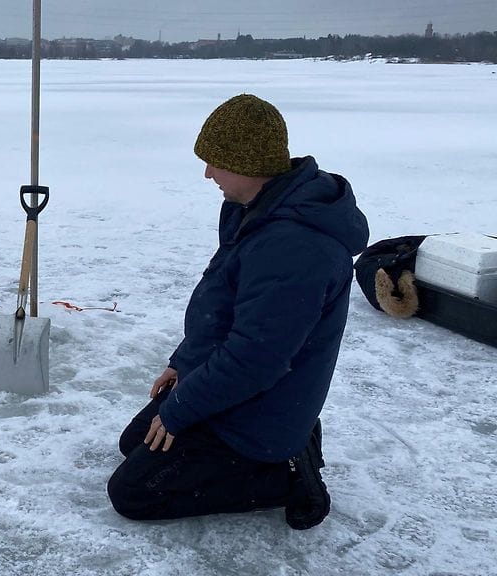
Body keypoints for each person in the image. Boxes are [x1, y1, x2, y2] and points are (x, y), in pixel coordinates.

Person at [107, 94, 369, 530]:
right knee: (134, 442)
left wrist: (181, 409)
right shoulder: (252, 210)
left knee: (133, 493)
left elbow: (255, 360)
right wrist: (184, 362)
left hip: (261, 410)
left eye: (216, 162)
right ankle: (289, 440)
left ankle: (284, 474)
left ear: (249, 163)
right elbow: (221, 302)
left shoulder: (296, 247)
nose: (207, 173)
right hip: (245, 390)